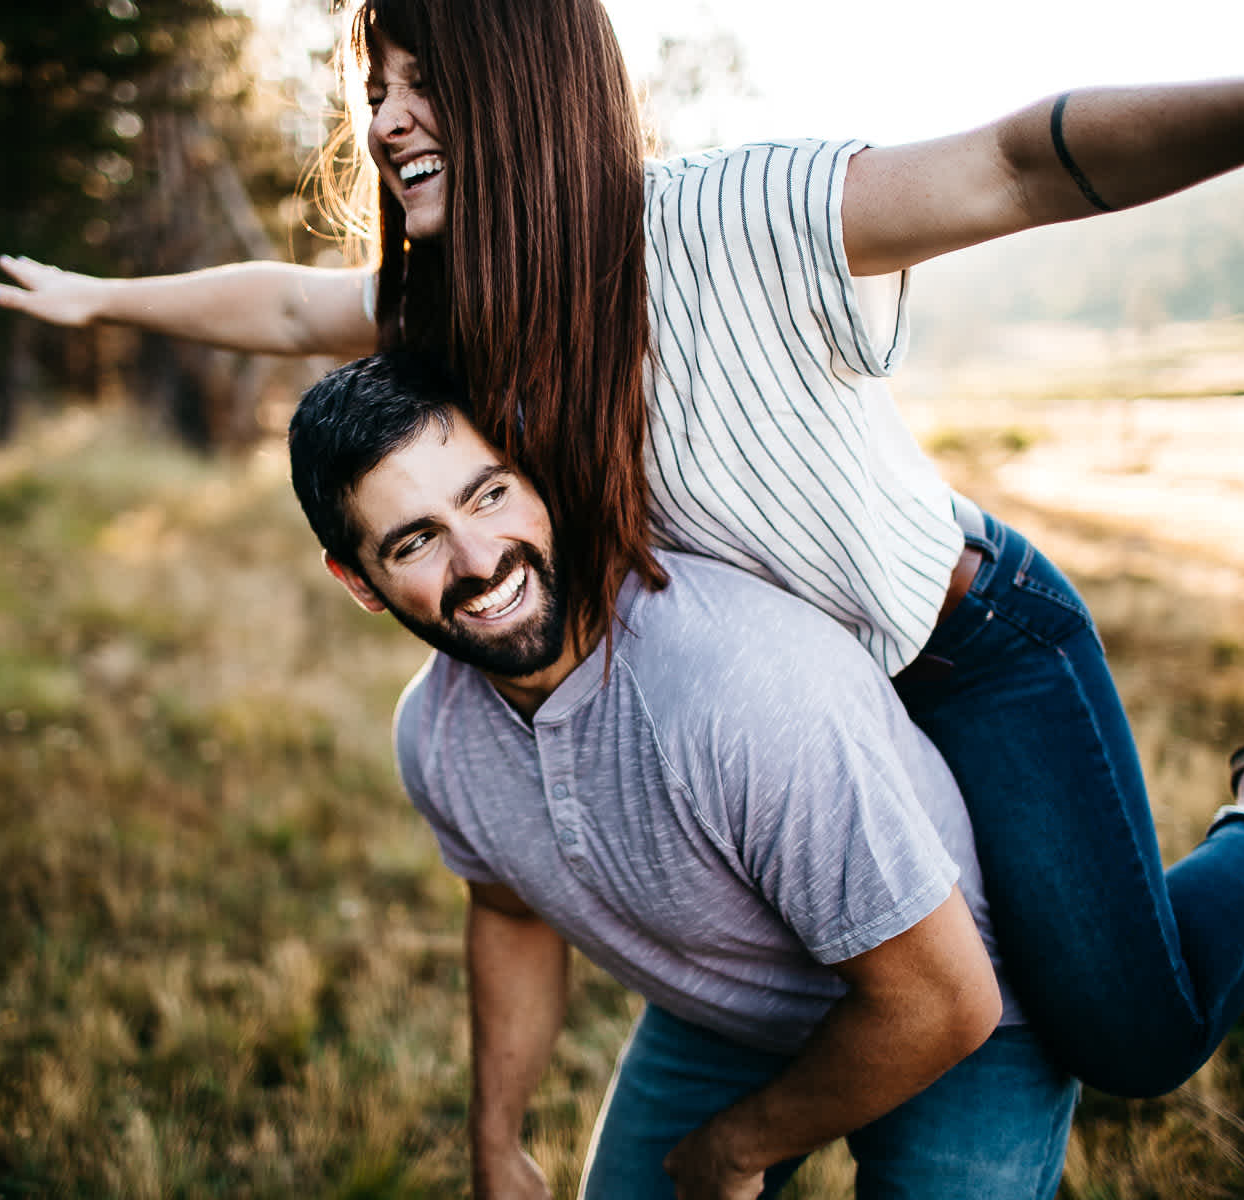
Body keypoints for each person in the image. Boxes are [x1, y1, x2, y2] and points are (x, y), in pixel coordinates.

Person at [0, 2, 1244, 1095]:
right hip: (802, 709)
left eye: (423, 78)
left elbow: (1010, 162)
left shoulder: (731, 220)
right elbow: (294, 311)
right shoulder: (461, 313)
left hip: (967, 650)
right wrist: (102, 296)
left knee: (1129, 1033)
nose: (386, 118)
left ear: (525, 89)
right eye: (375, 83)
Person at [289, 351, 1081, 1199]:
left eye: (489, 494)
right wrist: (495, 1140)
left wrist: (739, 1148)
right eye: (415, 540)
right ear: (359, 582)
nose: (481, 560)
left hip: (960, 1010)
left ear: (536, 475)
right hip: (728, 1011)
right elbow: (510, 913)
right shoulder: (437, 734)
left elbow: (945, 1002)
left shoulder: (740, 690)